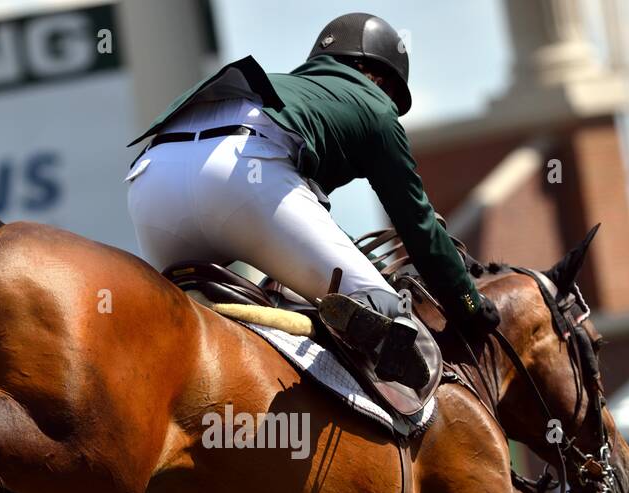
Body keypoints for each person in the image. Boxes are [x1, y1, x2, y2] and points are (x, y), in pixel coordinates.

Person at [125, 12, 501, 390]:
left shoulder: (286, 89)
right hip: (241, 174)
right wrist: (468, 304)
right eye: (389, 90)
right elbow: (418, 224)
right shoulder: (374, 105)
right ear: (372, 74)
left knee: (172, 333)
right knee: (399, 329)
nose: (388, 100)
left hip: (152, 179)